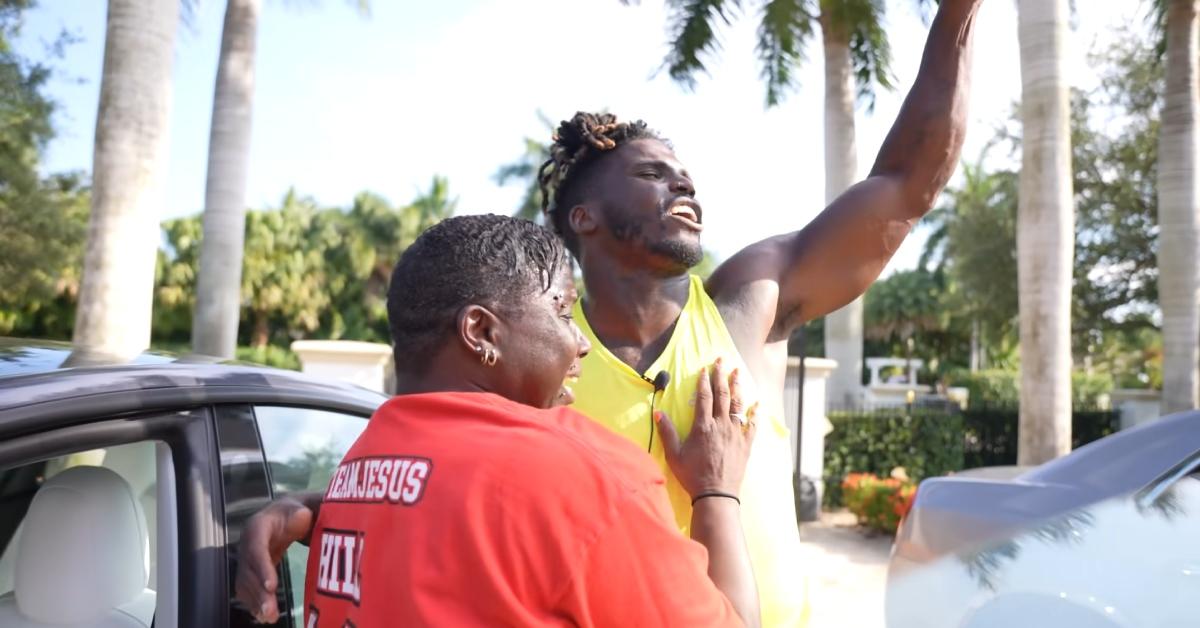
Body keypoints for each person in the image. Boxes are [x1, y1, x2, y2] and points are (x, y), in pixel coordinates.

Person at [240, 1, 983, 624]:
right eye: (653, 174)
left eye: (685, 174)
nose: (683, 184)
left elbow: (903, 184)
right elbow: (453, 485)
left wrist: (956, 14)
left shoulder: (742, 304)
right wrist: (322, 505)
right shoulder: (529, 374)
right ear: (585, 217)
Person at [247, 214, 761, 626]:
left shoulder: (359, 466)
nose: (579, 341)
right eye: (563, 313)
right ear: (481, 331)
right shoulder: (586, 476)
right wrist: (716, 490)